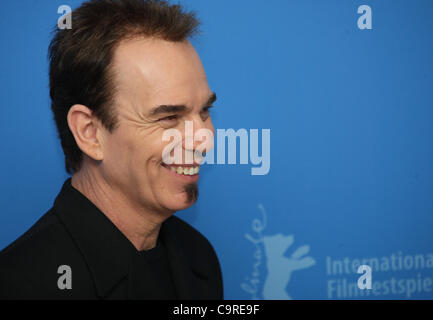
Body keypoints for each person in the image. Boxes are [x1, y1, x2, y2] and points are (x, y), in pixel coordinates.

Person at [0, 0, 223, 300]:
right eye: (169, 117)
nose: (203, 139)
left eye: (204, 111)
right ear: (89, 133)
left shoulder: (198, 258)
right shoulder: (19, 285)